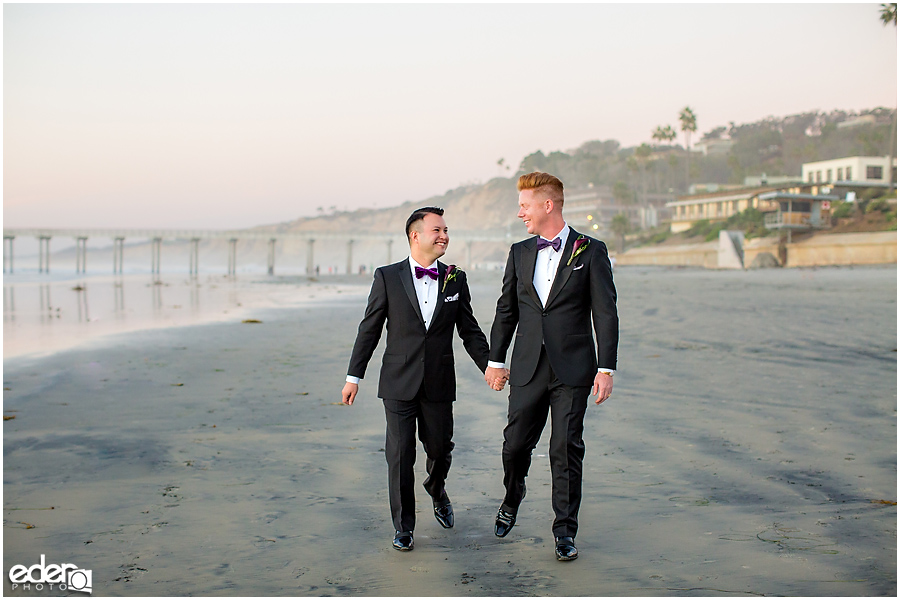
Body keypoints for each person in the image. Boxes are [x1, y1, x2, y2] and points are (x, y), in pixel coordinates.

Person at [341, 207, 502, 552]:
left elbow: (469, 330)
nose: (444, 236)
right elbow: (369, 329)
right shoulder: (387, 277)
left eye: (446, 230)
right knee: (400, 456)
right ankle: (403, 528)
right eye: (437, 230)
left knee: (441, 449)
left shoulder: (455, 277)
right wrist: (354, 376)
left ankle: (436, 487)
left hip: (439, 381)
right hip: (398, 381)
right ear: (415, 235)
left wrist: (490, 365)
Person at [484, 172, 619, 561]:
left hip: (573, 369)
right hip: (527, 367)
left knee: (565, 449)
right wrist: (496, 361)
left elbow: (605, 314)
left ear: (548, 205)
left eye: (524, 205)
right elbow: (506, 309)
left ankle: (565, 532)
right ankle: (513, 495)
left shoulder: (590, 251)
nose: (519, 213)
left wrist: (605, 369)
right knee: (514, 447)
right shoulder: (519, 252)